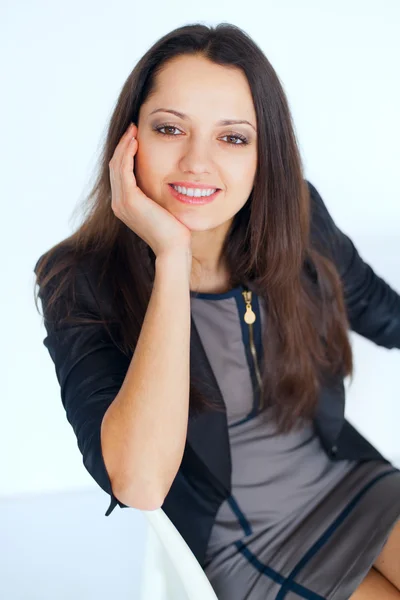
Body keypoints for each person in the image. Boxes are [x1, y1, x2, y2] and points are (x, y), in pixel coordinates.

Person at [33, 22, 400, 600]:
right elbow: (139, 483)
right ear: (129, 140)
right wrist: (171, 257)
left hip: (350, 477)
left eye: (233, 138)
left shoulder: (296, 217)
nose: (197, 162)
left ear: (264, 153)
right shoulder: (80, 279)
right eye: (170, 128)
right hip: (245, 543)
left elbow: (382, 312)